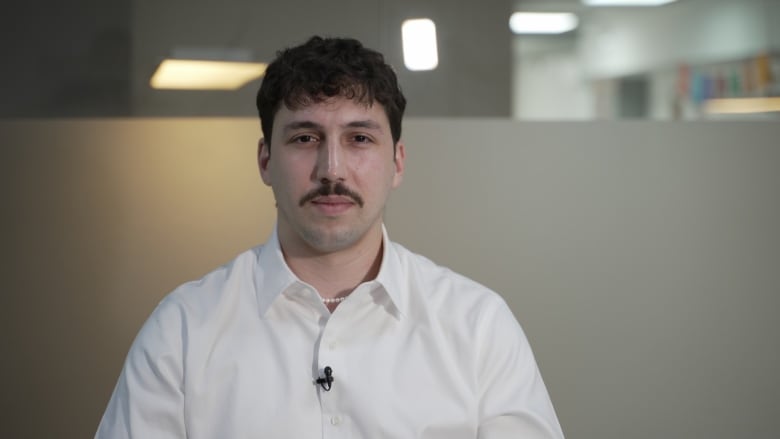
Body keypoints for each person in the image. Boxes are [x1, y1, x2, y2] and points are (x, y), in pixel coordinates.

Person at [96, 35, 564, 438]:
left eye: (359, 138)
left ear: (397, 162)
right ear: (264, 161)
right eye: (305, 138)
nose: (332, 170)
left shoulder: (478, 327)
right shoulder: (182, 330)